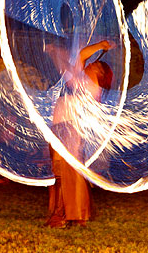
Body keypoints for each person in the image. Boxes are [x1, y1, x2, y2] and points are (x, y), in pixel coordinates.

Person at [45, 39, 114, 228]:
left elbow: (74, 68)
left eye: (95, 64)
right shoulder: (82, 78)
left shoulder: (92, 87)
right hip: (58, 126)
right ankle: (59, 214)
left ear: (99, 73)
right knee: (58, 173)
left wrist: (56, 54)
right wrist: (101, 45)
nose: (90, 64)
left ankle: (76, 215)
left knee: (69, 173)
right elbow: (83, 54)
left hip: (70, 128)